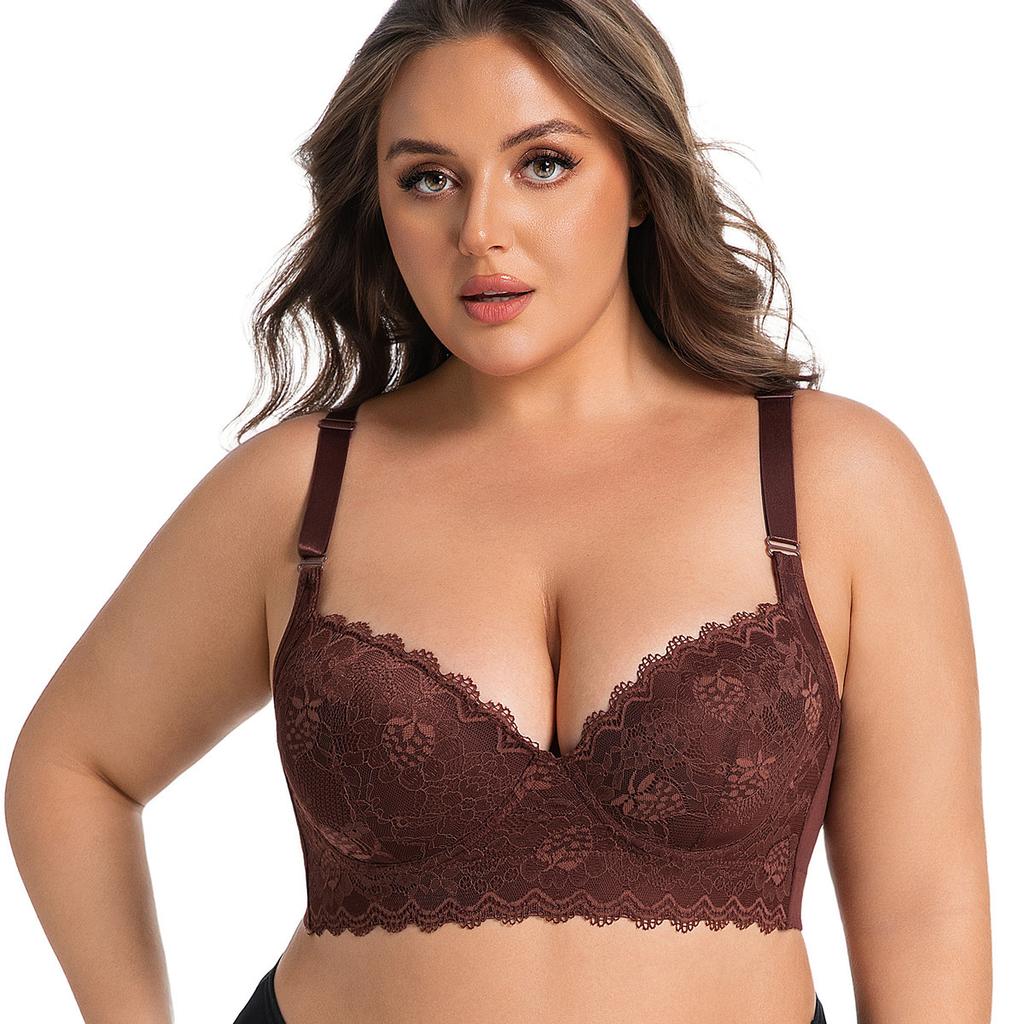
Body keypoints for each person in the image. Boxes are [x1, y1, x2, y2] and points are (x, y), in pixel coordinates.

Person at [6, 2, 991, 1022]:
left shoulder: (834, 478)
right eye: (428, 179)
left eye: (543, 164)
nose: (479, 231)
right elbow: (71, 768)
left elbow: (924, 908)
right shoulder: (300, 491)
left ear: (640, 179)